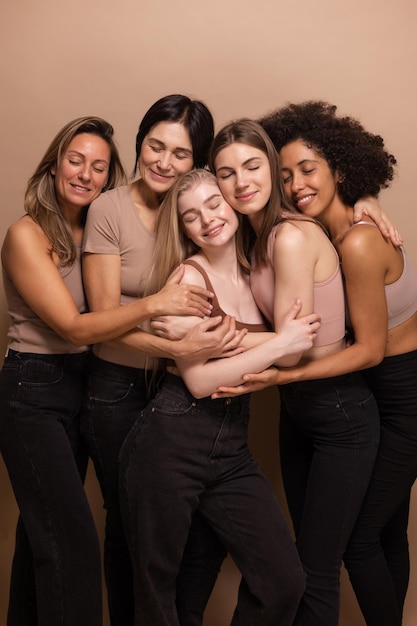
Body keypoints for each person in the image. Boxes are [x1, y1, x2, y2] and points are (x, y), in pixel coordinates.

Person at [0, 116, 226, 626]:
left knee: (43, 538)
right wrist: (156, 304)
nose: (85, 174)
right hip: (31, 388)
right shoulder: (26, 234)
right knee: (68, 536)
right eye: (75, 161)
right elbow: (78, 328)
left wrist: (359, 202)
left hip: (82, 383)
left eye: (99, 167)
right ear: (53, 164)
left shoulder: (92, 223)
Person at [119, 168, 323, 626]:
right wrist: (280, 344)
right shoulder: (188, 280)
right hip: (170, 442)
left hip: (230, 448)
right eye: (192, 216)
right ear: (184, 228)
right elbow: (199, 382)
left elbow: (315, 218)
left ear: (231, 202)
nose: (208, 219)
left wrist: (364, 203)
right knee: (160, 592)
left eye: (214, 203)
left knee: (283, 581)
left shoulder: (259, 267)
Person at [246, 101, 417, 626]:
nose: (296, 184)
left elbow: (369, 350)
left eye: (309, 169)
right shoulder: (326, 230)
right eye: (285, 175)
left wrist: (287, 374)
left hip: (400, 400)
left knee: (361, 538)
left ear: (340, 168)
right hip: (368, 389)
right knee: (385, 532)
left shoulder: (361, 242)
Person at [207, 118, 381, 626]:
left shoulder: (288, 237)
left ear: (271, 168)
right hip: (298, 411)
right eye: (225, 173)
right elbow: (279, 335)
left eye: (253, 166)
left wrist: (213, 337)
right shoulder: (255, 236)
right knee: (302, 562)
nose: (241, 182)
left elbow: (288, 352)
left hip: (340, 415)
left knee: (316, 567)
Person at [81, 94, 245, 626]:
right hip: (117, 388)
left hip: (176, 394)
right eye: (156, 145)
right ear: (140, 141)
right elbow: (104, 319)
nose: (164, 162)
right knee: (129, 527)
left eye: (180, 154)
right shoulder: (109, 208)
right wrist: (176, 347)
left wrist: (363, 201)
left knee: (193, 530)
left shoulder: (198, 208)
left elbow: (271, 195)